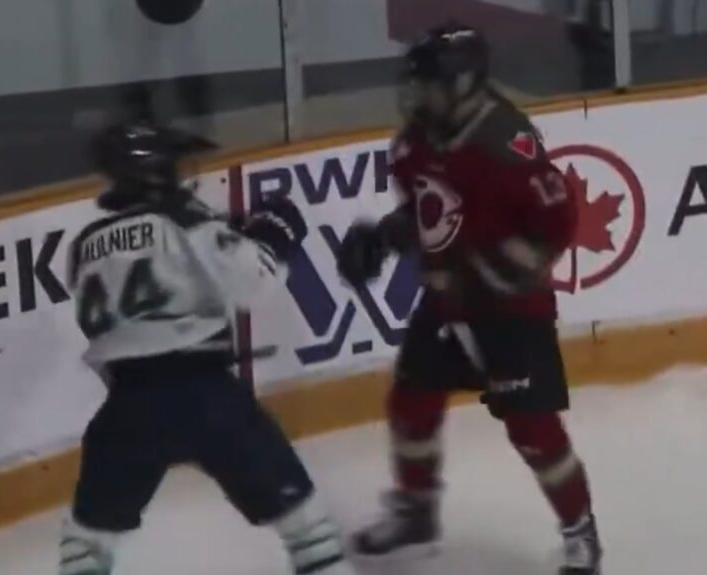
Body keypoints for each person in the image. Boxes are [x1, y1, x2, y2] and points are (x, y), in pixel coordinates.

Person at [336, 23, 603, 575]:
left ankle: (580, 532)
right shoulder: (415, 142)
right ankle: (416, 510)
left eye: (428, 84)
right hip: (445, 302)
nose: (416, 95)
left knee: (533, 432)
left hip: (511, 311)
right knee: (410, 406)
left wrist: (512, 264)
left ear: (462, 84)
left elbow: (556, 222)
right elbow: (432, 210)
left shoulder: (506, 143)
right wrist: (387, 235)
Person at [58, 122, 357, 575]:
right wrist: (273, 236)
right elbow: (254, 280)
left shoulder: (84, 246)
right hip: (206, 395)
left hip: (127, 405)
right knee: (307, 528)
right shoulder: (188, 220)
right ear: (155, 173)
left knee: (86, 546)